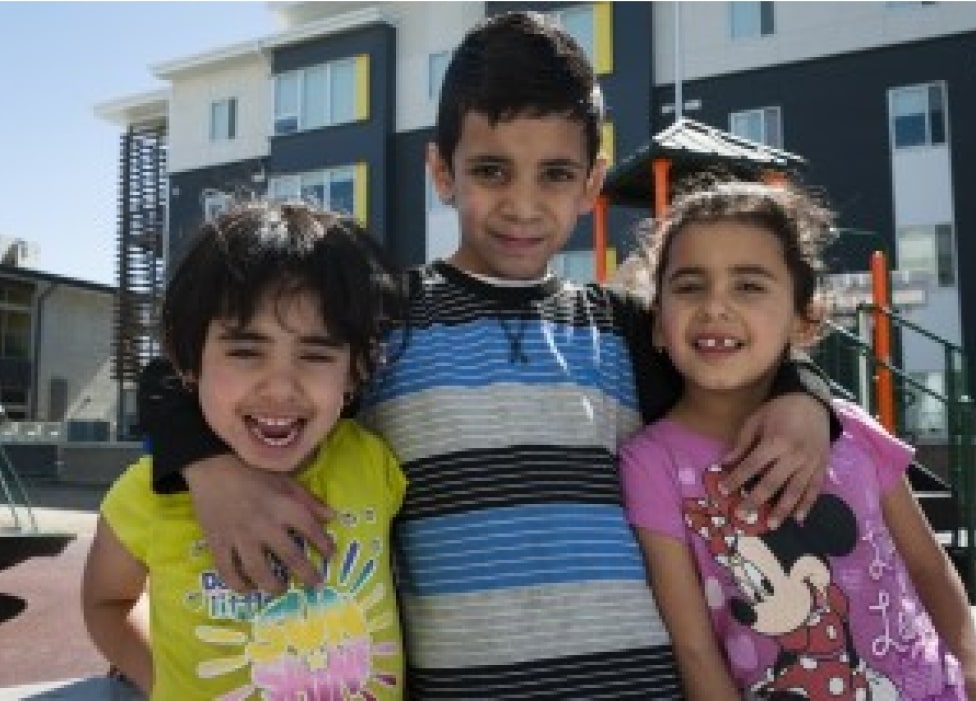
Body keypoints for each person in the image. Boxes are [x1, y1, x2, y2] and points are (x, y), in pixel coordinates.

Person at [138, 12, 840, 699]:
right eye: (493, 170)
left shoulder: (628, 327)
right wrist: (212, 467)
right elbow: (183, 369)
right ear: (442, 170)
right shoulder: (384, 320)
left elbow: (739, 360)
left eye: (556, 174)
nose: (524, 204)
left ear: (592, 185)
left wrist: (805, 394)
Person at [620, 179, 976, 700]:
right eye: (690, 285)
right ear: (656, 325)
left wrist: (969, 663)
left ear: (802, 320)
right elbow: (696, 650)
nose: (715, 307)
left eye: (749, 285)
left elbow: (928, 565)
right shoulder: (651, 463)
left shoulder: (852, 430)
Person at [82, 200, 407, 699]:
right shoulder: (145, 496)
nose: (281, 387)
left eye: (317, 354)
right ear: (187, 361)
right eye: (245, 351)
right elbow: (107, 601)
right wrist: (162, 675)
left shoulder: (377, 462)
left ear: (356, 369)